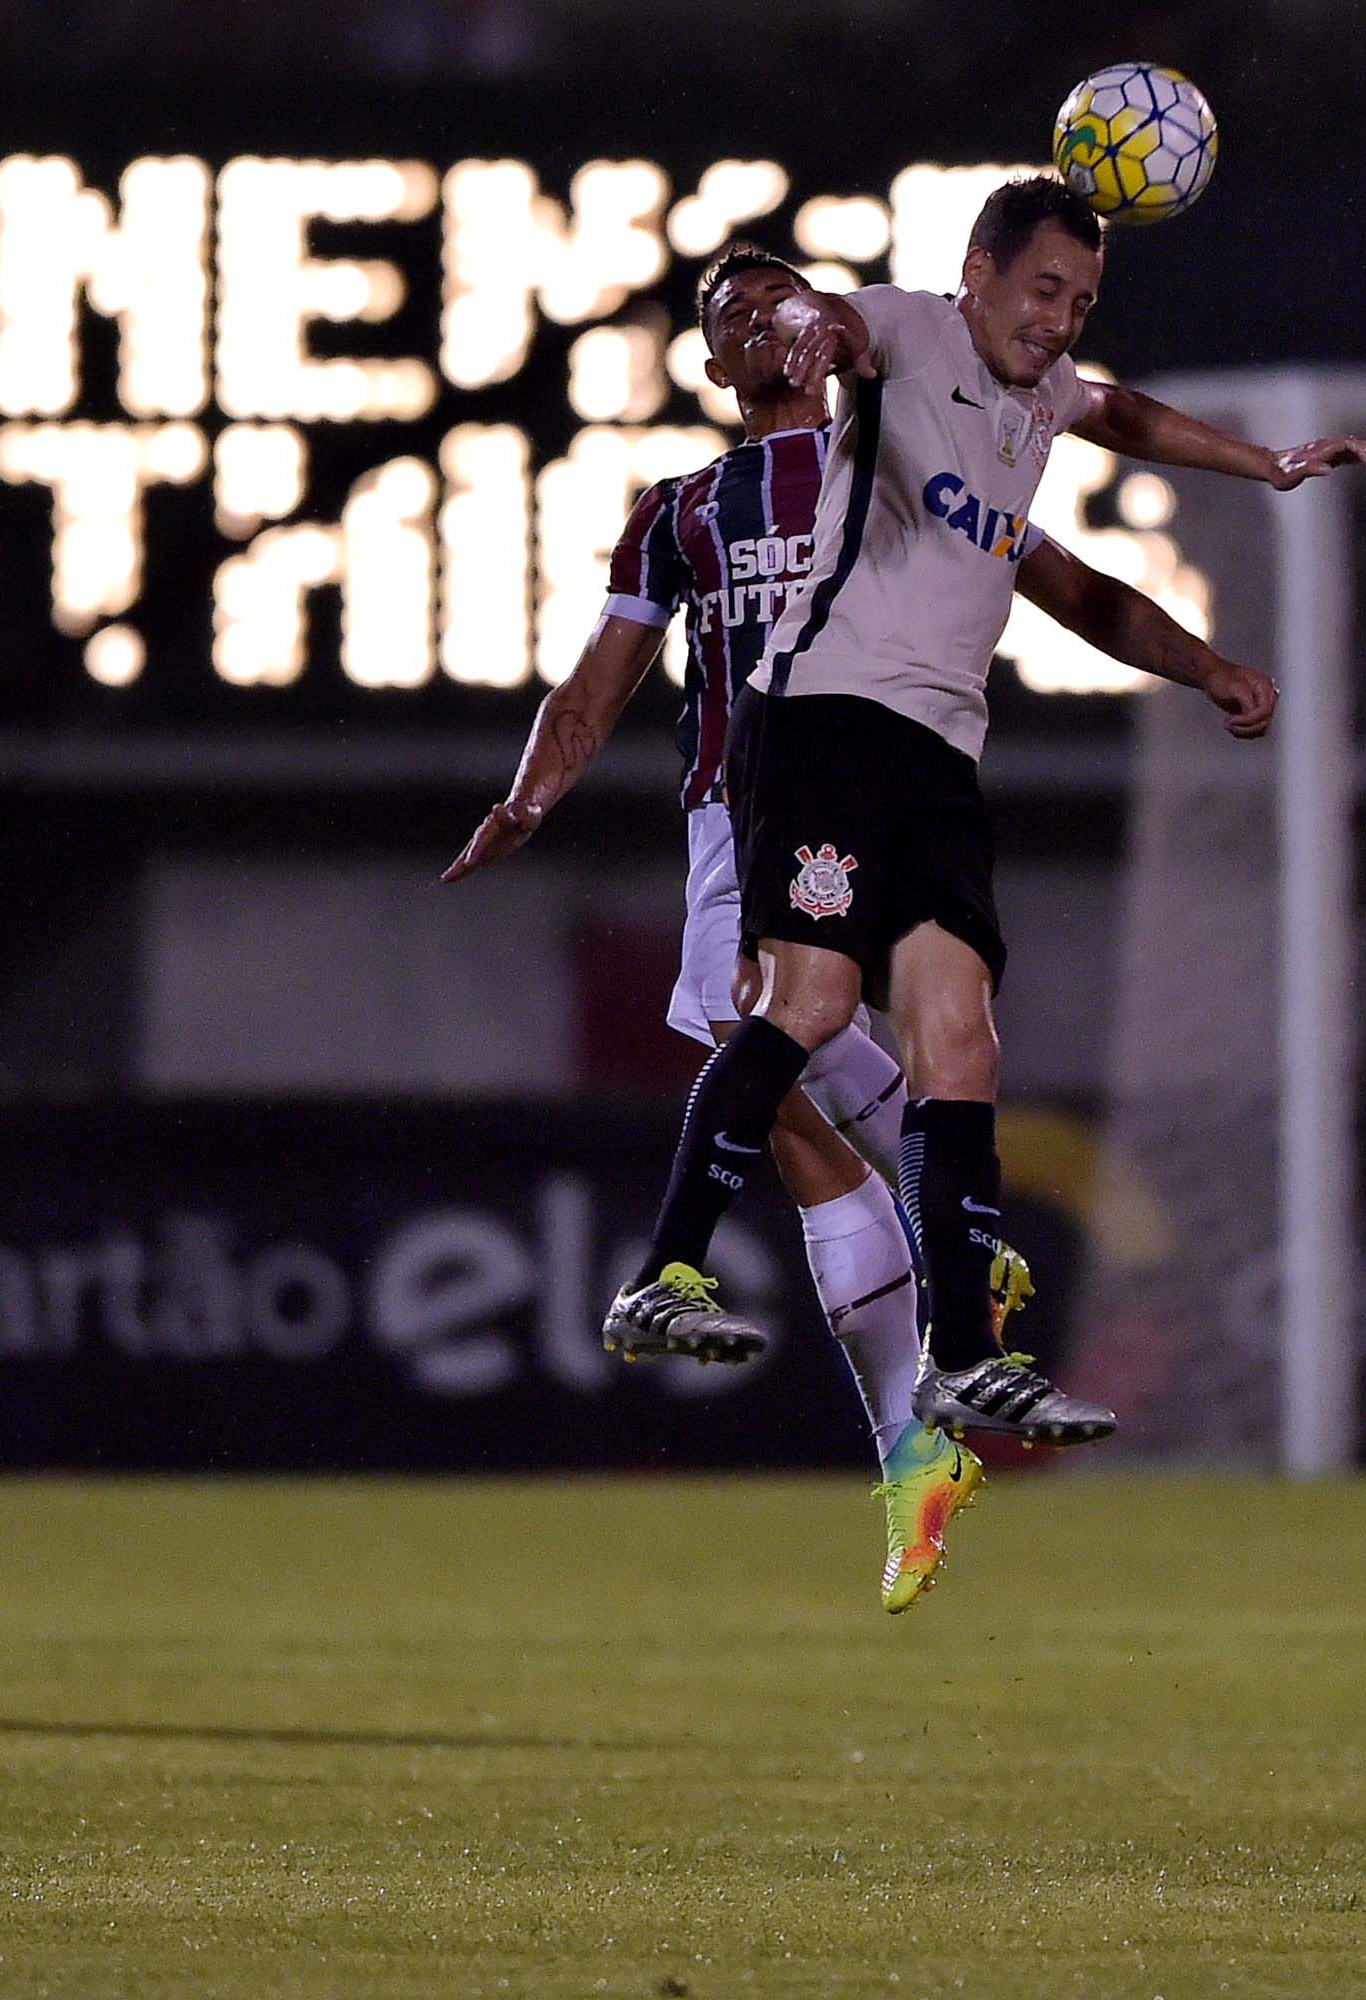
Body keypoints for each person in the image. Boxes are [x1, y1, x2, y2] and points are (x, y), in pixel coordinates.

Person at [600, 176, 1366, 1447]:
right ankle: (662, 1275)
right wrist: (809, 326)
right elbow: (831, 324)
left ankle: (962, 1356)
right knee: (802, 1007)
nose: (1059, 322)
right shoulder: (905, 329)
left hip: (938, 756)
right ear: (974, 272)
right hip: (825, 724)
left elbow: (1113, 431)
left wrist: (1253, 511)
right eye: (1041, 291)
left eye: (1081, 301)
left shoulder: (1037, 406)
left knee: (960, 1046)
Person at [445, 244, 1020, 1611]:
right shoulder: (680, 511)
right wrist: (530, 794)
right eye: (732, 317)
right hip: (741, 805)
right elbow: (599, 679)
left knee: (745, 1033)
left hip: (869, 784)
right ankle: (938, 1348)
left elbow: (1013, 553)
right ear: (715, 365)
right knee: (773, 1066)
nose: (764, 323)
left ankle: (918, 1415)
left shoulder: (895, 458)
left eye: (783, 303)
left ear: (825, 335)